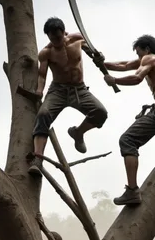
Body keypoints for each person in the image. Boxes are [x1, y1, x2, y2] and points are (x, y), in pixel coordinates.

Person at [102, 35, 155, 205]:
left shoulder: (147, 59)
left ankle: (132, 191)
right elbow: (124, 65)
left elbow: (136, 78)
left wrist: (115, 80)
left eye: (138, 53)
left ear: (147, 50)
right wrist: (101, 62)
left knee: (127, 140)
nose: (138, 58)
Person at [28, 17, 108, 175]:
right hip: (58, 90)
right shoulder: (46, 52)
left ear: (64, 32)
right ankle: (38, 159)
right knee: (43, 115)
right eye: (52, 38)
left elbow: (93, 53)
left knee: (101, 112)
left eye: (58, 37)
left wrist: (100, 57)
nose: (56, 41)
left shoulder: (78, 39)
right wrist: (39, 90)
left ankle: (78, 133)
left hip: (79, 89)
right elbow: (42, 75)